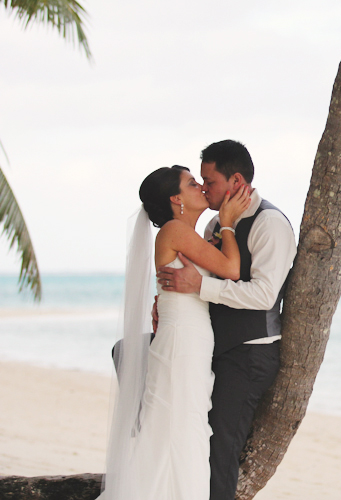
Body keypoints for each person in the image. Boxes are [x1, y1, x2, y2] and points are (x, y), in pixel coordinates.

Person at [99, 165, 251, 500]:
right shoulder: (174, 231)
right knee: (180, 426)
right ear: (176, 198)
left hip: (191, 337)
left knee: (182, 424)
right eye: (192, 183)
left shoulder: (186, 235)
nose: (200, 187)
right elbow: (231, 269)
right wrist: (227, 223)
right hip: (183, 339)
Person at [155, 140, 296, 500]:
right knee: (193, 437)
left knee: (220, 448)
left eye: (210, 181)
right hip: (210, 348)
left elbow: (263, 295)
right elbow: (200, 275)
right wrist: (169, 300)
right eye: (198, 181)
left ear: (235, 180)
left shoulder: (271, 224)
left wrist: (199, 286)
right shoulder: (216, 224)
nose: (204, 188)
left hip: (250, 354)